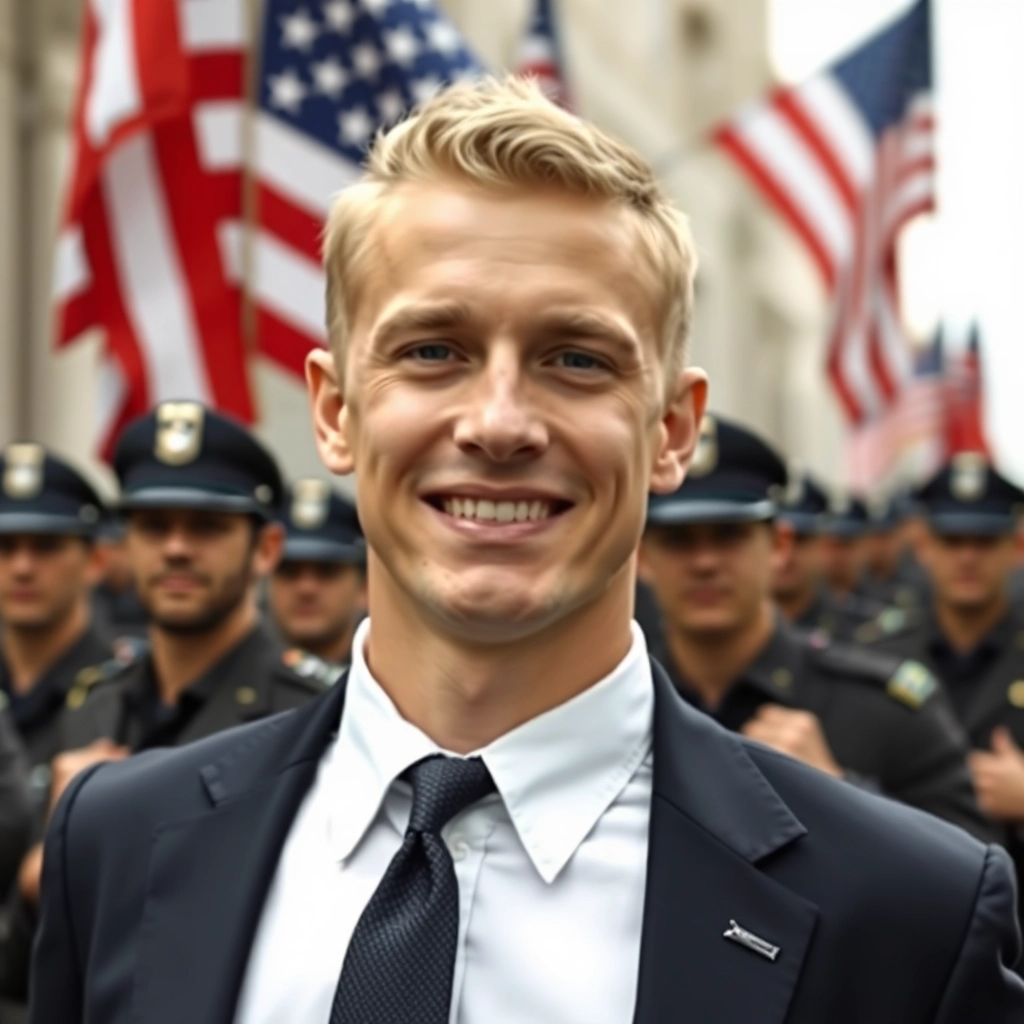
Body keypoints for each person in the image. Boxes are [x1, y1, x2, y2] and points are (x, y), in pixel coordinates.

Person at [30, 78, 1024, 1023]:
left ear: (672, 429)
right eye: (433, 351)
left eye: (575, 360)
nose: (499, 422)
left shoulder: (904, 914)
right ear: (335, 411)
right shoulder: (121, 845)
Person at [0, 404, 333, 1010]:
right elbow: (28, 976)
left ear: (266, 549)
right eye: (154, 526)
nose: (177, 548)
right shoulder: (95, 703)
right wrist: (37, 881)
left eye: (207, 527)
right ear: (125, 545)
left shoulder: (311, 715)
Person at [639, 414, 989, 840]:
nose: (705, 562)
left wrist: (840, 794)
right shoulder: (618, 705)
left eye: (729, 536)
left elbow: (974, 876)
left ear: (779, 546)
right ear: (641, 556)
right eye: (678, 540)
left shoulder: (881, 711)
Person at [865, 453, 1024, 924]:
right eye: (952, 540)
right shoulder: (874, 653)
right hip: (903, 915)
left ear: (1016, 547)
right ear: (923, 546)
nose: (968, 557)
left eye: (985, 540)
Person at [0, 445, 112, 801]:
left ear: (95, 561)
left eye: (46, 547)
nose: (22, 568)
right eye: (5, 547)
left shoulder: (123, 693)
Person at [269, 479, 366, 668]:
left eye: (327, 571)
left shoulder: (389, 687)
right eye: (289, 571)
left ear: (365, 587)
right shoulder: (230, 678)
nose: (306, 588)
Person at [771, 473, 875, 641]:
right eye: (776, 541)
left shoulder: (860, 631)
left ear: (823, 544)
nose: (787, 555)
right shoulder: (731, 637)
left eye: (801, 540)